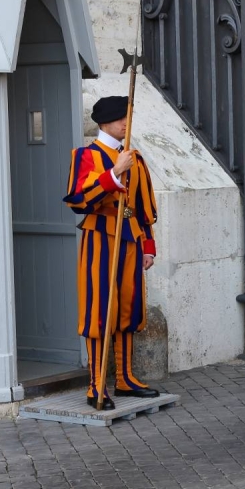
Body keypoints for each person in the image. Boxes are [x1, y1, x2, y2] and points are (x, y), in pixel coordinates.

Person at [63, 96, 161, 410]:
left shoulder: (134, 157)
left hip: (131, 239)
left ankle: (125, 379)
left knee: (129, 307)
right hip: (100, 238)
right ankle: (96, 385)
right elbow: (78, 199)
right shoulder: (86, 155)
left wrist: (148, 246)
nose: (126, 124)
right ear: (106, 122)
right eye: (123, 118)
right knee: (99, 308)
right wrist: (114, 173)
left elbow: (142, 207)